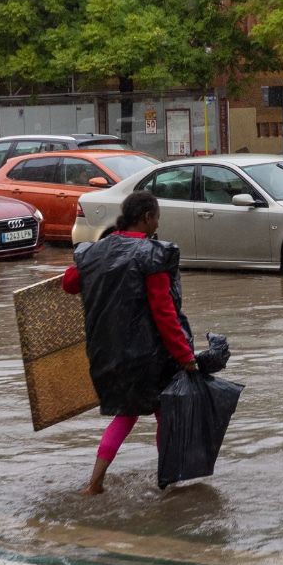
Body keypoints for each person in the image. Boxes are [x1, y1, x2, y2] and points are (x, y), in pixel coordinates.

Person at [60, 190, 197, 495]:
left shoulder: (95, 251)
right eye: (157, 217)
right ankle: (168, 481)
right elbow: (165, 314)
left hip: (107, 354)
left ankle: (95, 482)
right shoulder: (151, 255)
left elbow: (69, 284)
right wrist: (185, 355)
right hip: (149, 357)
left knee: (125, 414)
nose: (157, 223)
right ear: (147, 217)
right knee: (165, 412)